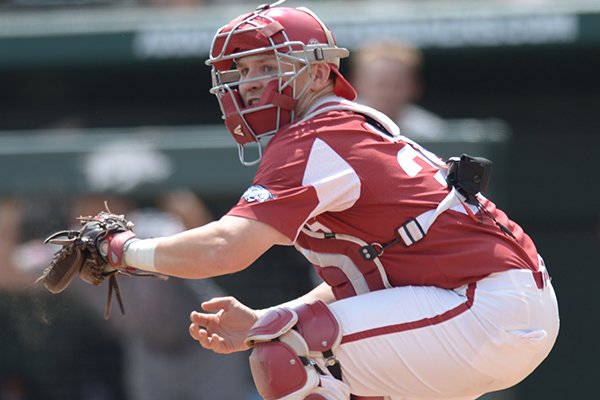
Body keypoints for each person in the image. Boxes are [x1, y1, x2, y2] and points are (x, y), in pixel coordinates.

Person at [64, 2, 559, 399]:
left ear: (320, 72)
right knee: (301, 348)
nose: (251, 81)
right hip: (490, 307)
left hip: (484, 305)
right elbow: (360, 289)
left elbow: (224, 250)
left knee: (289, 355)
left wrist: (122, 251)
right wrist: (261, 322)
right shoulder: (338, 129)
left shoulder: (316, 136)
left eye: (268, 65)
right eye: (243, 68)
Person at [350, 39, 447, 140]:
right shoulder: (343, 125)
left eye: (397, 85)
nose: (388, 93)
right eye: (380, 85)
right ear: (357, 83)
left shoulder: (431, 132)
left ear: (415, 86)